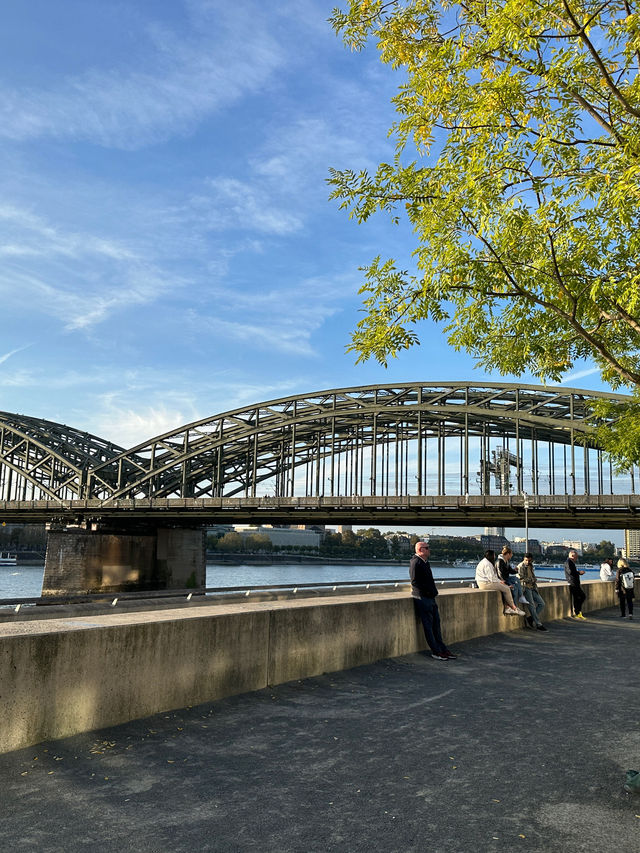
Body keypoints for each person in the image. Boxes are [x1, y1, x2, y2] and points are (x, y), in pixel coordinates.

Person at [410, 541, 457, 661]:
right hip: (422, 598)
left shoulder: (425, 562)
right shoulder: (416, 562)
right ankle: (436, 651)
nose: (429, 550)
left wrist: (433, 592)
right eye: (427, 548)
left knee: (436, 625)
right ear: (420, 550)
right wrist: (428, 592)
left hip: (430, 597)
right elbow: (415, 582)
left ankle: (442, 649)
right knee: (428, 627)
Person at [475, 549, 525, 615]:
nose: (495, 557)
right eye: (494, 555)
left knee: (505, 587)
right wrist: (501, 583)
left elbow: (493, 578)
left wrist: (500, 582)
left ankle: (508, 607)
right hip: (485, 583)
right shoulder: (487, 564)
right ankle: (514, 608)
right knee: (506, 588)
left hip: (483, 582)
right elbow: (492, 578)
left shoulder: (484, 562)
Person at [517, 553, 547, 631]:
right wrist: (532, 580)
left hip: (532, 587)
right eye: (526, 560)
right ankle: (538, 624)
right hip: (525, 588)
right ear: (524, 559)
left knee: (542, 604)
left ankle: (531, 618)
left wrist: (533, 579)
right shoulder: (520, 566)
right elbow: (521, 578)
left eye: (529, 560)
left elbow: (532, 576)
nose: (527, 562)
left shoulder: (531, 565)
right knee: (531, 605)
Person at [565, 549, 586, 619]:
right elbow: (571, 572)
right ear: (573, 556)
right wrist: (579, 573)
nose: (577, 559)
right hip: (573, 583)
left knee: (579, 597)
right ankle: (577, 612)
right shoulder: (568, 562)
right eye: (576, 557)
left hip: (575, 582)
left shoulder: (570, 562)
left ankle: (578, 612)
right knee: (580, 597)